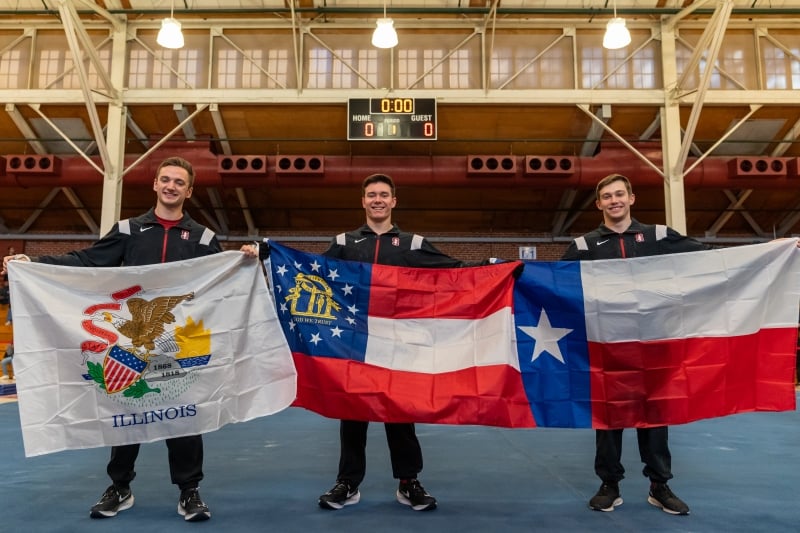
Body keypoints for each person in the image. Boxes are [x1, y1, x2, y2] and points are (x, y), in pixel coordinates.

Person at [1, 157, 220, 522]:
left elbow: (222, 280)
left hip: (175, 344)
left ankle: (189, 491)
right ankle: (120, 487)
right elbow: (87, 261)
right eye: (165, 179)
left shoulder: (203, 237)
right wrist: (33, 262)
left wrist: (246, 258)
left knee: (183, 417)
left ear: (189, 190)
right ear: (155, 185)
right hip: (130, 342)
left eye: (179, 182)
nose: (170, 186)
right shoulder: (129, 230)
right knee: (126, 412)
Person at [315, 173, 477, 512]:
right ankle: (348, 483)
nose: (377, 199)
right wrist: (268, 256)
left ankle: (408, 482)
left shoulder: (412, 244)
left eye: (383, 195)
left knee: (401, 415)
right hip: (355, 345)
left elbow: (454, 271)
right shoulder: (344, 243)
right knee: (353, 416)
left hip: (399, 346)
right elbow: (310, 276)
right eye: (371, 194)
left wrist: (495, 268)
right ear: (363, 201)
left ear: (393, 202)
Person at [561, 173, 713, 516]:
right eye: (606, 197)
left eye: (619, 194)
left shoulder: (659, 236)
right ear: (599, 204)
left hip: (654, 346)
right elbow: (555, 284)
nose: (614, 201)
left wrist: (768, 251)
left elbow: (708, 258)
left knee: (655, 418)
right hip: (607, 348)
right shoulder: (584, 246)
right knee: (608, 419)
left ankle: (660, 485)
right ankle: (609, 485)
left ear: (631, 198)